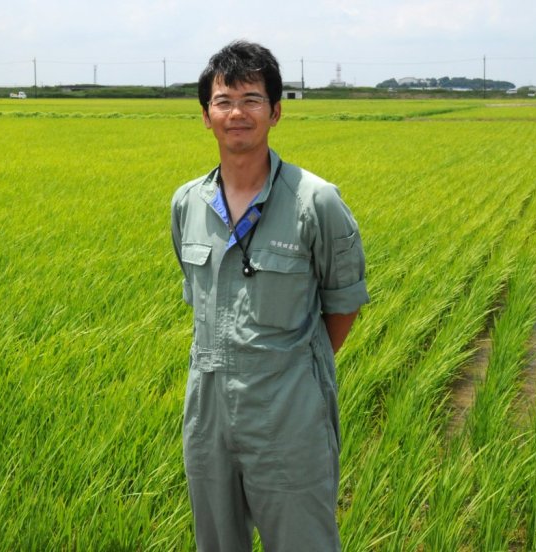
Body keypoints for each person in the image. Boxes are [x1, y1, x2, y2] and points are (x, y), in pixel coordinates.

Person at [170, 40, 369, 551]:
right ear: (206, 115)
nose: (237, 112)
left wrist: (287, 365)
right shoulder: (188, 203)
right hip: (208, 409)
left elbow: (343, 304)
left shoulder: (315, 201)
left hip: (288, 412)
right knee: (215, 542)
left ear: (276, 112)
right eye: (223, 100)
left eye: (252, 99)